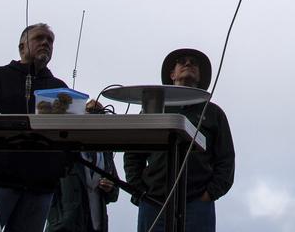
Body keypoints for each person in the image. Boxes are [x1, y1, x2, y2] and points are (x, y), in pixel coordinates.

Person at [0, 23, 71, 232]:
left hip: (41, 187)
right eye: (39, 38)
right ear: (22, 46)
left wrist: (59, 168)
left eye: (50, 40)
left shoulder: (59, 89)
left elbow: (69, 135)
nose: (46, 43)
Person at [124, 48, 234, 232]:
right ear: (172, 74)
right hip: (153, 202)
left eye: (194, 62)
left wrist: (209, 194)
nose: (188, 64)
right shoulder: (153, 109)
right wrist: (139, 192)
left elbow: (226, 159)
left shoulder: (213, 113)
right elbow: (133, 154)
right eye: (182, 61)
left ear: (199, 76)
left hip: (197, 204)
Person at [48, 148, 119, 232]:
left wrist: (110, 189)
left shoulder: (106, 153)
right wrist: (57, 220)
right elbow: (48, 185)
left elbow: (115, 193)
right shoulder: (63, 149)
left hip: (97, 224)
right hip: (65, 225)